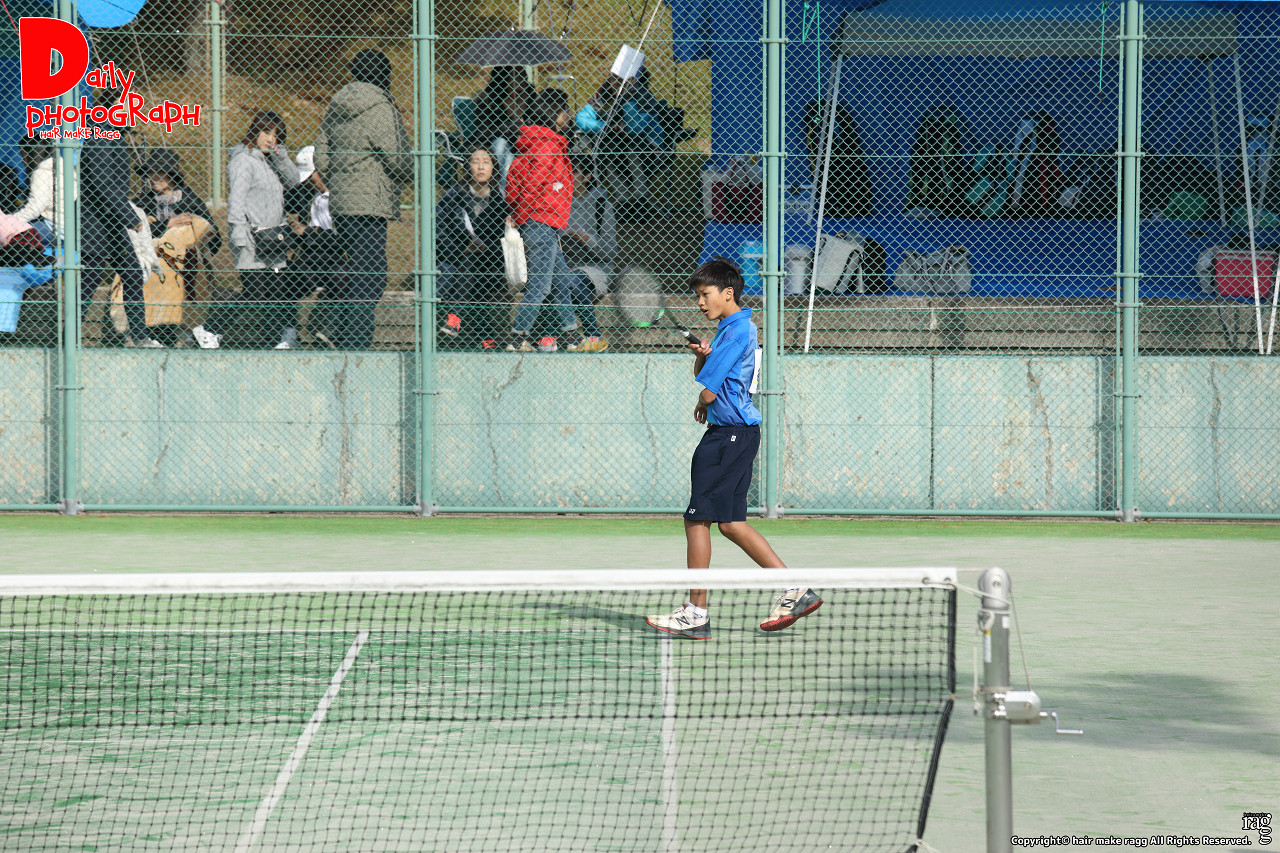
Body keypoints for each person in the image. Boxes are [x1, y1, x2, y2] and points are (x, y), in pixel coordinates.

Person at [646, 258, 822, 640]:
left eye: (704, 294)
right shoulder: (734, 328)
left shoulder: (737, 329)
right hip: (738, 435)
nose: (699, 302)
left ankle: (695, 613)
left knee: (697, 520)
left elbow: (708, 390)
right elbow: (709, 376)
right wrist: (702, 356)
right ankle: (795, 589)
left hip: (727, 437)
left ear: (728, 293)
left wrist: (703, 396)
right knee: (731, 523)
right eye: (697, 296)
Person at [314, 48, 412, 350]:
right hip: (371, 203)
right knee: (371, 276)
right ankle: (354, 342)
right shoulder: (380, 108)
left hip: (342, 203)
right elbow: (399, 158)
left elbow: (321, 156)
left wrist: (341, 179)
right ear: (384, 76)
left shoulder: (337, 105)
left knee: (357, 270)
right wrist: (407, 172)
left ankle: (334, 326)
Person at [191, 110, 302, 350]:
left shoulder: (271, 161)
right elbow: (237, 200)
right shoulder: (243, 161)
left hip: (274, 238)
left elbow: (294, 182)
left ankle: (278, 341)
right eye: (266, 132)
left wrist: (282, 157)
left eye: (276, 135)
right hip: (251, 238)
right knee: (255, 292)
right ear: (254, 131)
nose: (270, 139)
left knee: (276, 292)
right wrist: (239, 236)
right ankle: (209, 329)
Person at [505, 88, 584, 352]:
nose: (568, 114)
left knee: (561, 283)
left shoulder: (532, 143)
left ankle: (572, 337)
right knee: (540, 286)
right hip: (540, 223)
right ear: (555, 112)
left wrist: (521, 213)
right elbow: (532, 186)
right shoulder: (547, 145)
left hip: (545, 224)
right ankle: (517, 337)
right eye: (565, 110)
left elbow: (514, 186)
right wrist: (523, 216)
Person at [79, 86, 157, 348]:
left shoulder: (114, 134)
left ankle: (140, 336)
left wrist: (123, 215)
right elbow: (102, 182)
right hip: (96, 222)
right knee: (89, 280)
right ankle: (67, 337)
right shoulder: (100, 134)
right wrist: (129, 216)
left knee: (132, 275)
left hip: (111, 223)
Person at [533, 159, 614, 351]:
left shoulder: (601, 205)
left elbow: (610, 251)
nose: (567, 177)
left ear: (587, 177)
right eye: (565, 172)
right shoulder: (556, 203)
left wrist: (586, 238)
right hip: (563, 265)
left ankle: (551, 336)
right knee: (561, 280)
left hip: (595, 268)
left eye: (573, 172)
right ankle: (591, 337)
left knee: (569, 281)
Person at [436, 147, 509, 349]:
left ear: (494, 167)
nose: (481, 167)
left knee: (473, 265)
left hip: (492, 262)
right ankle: (485, 338)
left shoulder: (501, 199)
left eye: (486, 162)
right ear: (467, 166)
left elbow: (506, 239)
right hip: (457, 259)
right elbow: (439, 232)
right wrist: (462, 249)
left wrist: (484, 247)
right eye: (475, 161)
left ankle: (455, 317)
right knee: (470, 268)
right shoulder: (452, 196)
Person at [285, 145, 346, 348]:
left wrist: (309, 233)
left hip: (336, 255)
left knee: (342, 280)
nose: (310, 182)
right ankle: (288, 333)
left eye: (312, 176)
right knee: (285, 282)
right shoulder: (308, 193)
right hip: (310, 253)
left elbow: (343, 239)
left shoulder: (343, 197)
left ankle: (329, 332)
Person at [575, 76, 651, 209]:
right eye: (613, 79)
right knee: (607, 149)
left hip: (641, 144)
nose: (616, 83)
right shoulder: (603, 95)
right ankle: (623, 200)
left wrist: (627, 100)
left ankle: (641, 198)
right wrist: (605, 127)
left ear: (630, 80)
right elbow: (581, 119)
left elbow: (636, 128)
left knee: (632, 150)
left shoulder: (641, 94)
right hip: (612, 143)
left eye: (621, 80)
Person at [472, 66, 535, 173]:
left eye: (524, 73)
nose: (524, 78)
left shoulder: (530, 97)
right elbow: (483, 133)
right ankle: (499, 183)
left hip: (525, 145)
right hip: (495, 146)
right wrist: (513, 124)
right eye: (518, 75)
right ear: (505, 78)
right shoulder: (489, 101)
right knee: (501, 144)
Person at [13, 136, 54, 245]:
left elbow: (34, 209)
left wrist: (10, 221)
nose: (23, 160)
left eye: (23, 155)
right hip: (68, 225)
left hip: (54, 226)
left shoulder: (42, 173)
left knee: (9, 234)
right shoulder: (61, 166)